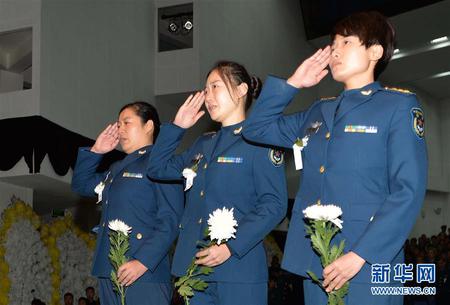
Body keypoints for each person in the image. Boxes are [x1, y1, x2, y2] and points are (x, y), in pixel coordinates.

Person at [243, 11, 427, 305]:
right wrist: (292, 83)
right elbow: (256, 129)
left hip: (367, 262)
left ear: (375, 52)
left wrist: (360, 254)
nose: (334, 50)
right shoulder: (319, 111)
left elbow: (408, 190)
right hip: (316, 259)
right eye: (333, 43)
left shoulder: (397, 106)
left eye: (346, 41)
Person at [147, 61, 287, 305]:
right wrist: (177, 127)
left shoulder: (260, 139)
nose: (207, 96)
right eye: (206, 89)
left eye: (215, 87)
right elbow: (157, 168)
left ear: (241, 90)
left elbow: (274, 205)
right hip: (196, 268)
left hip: (238, 270)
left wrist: (230, 246)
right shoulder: (203, 143)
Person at [72, 102, 184, 305]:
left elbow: (170, 219)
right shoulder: (115, 169)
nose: (120, 129)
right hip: (110, 270)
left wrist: (143, 261)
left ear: (148, 126)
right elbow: (81, 185)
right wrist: (97, 151)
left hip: (143, 272)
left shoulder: (161, 163)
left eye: (127, 122)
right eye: (118, 124)